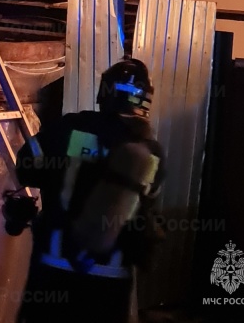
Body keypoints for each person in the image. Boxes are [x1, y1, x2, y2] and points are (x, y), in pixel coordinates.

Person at [12, 57, 166, 323]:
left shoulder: (71, 127)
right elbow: (147, 208)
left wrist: (57, 177)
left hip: (55, 267)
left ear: (105, 92)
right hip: (111, 281)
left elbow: (25, 168)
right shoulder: (153, 153)